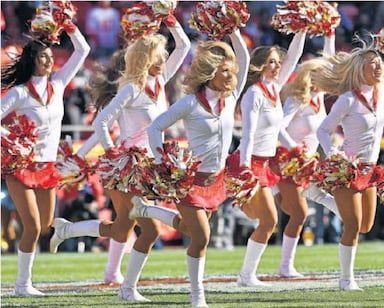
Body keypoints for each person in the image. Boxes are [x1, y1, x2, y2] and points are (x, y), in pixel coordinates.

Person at [49, 17, 191, 301]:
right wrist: (114, 152)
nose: (164, 58)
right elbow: (102, 121)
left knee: (122, 228)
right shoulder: (131, 88)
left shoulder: (159, 83)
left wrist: (170, 20)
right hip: (129, 167)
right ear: (145, 59)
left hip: (150, 166)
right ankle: (127, 289)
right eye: (158, 55)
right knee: (148, 230)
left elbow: (184, 46)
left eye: (164, 55)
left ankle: (68, 229)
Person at [131, 28, 249, 307]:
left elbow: (243, 57)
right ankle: (197, 295)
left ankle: (147, 210)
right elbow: (156, 127)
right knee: (201, 237)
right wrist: (163, 162)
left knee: (188, 228)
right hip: (191, 182)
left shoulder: (230, 99)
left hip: (217, 181)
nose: (231, 75)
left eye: (231, 71)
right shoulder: (190, 103)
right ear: (210, 73)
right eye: (224, 71)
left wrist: (232, 29)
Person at [0, 20, 90, 296]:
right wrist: (12, 139)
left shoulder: (59, 84)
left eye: (51, 57)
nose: (49, 62)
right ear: (32, 60)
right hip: (22, 166)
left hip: (48, 166)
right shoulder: (19, 92)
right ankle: (22, 285)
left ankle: (18, 234)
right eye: (43, 57)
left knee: (47, 225)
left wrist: (67, 24)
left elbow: (83, 50)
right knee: (33, 225)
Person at [315, 34, 384, 290]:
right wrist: (333, 153)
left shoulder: (381, 91)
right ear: (360, 69)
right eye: (373, 63)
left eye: (379, 62)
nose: (379, 66)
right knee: (353, 225)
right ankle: (347, 280)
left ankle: (321, 197)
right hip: (347, 169)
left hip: (370, 170)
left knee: (366, 225)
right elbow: (323, 130)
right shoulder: (348, 99)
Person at [234, 26, 306, 286]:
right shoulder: (254, 93)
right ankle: (245, 275)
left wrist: (303, 29)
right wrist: (244, 168)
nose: (277, 66)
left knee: (264, 219)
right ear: (260, 66)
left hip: (265, 164)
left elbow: (294, 57)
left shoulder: (275, 89)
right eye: (271, 62)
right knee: (268, 220)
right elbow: (249, 133)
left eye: (278, 62)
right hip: (249, 162)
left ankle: (246, 275)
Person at [275, 31, 339, 278]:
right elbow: (278, 127)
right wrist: (294, 150)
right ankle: (285, 267)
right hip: (287, 164)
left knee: (324, 200)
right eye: (321, 74)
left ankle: (353, 226)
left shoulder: (318, 96)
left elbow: (331, 62)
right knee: (299, 214)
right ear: (311, 77)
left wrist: (330, 33)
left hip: (306, 165)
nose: (327, 77)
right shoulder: (296, 98)